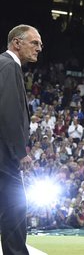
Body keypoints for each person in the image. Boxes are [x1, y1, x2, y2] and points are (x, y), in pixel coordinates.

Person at [0, 24, 42, 255]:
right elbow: (7, 112)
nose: (39, 48)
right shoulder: (8, 65)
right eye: (34, 43)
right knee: (15, 209)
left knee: (12, 209)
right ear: (17, 43)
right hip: (5, 157)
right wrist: (20, 152)